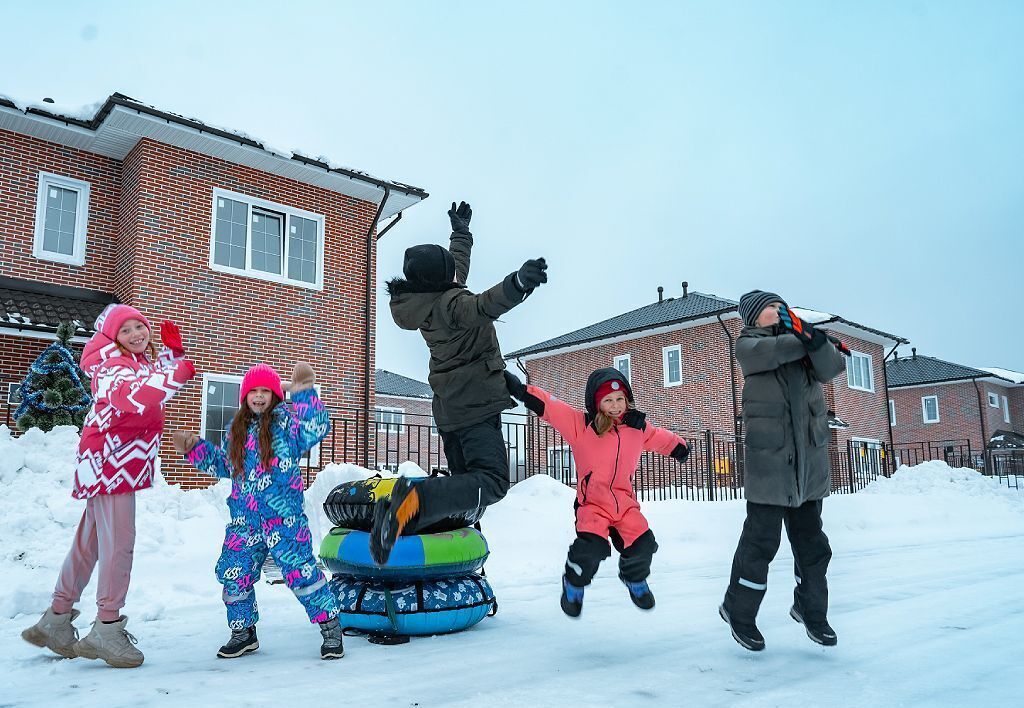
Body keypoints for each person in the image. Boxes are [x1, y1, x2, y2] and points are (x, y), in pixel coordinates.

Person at [369, 200, 548, 564]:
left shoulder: (429, 301)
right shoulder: (454, 306)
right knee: (493, 481)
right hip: (475, 407)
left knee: (466, 491)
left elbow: (455, 268)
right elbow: (485, 304)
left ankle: (450, 559)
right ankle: (414, 501)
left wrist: (461, 233)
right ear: (442, 280)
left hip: (450, 410)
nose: (456, 275)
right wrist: (517, 284)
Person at [21, 304, 196, 668]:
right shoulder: (111, 366)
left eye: (140, 327)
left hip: (111, 462)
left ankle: (56, 618)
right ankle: (107, 627)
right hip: (111, 462)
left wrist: (172, 355)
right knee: (119, 544)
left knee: (93, 541)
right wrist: (176, 373)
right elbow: (133, 396)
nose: (137, 334)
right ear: (112, 336)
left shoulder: (131, 363)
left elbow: (151, 379)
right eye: (126, 330)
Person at [172, 363, 343, 660]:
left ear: (276, 395)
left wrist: (304, 394)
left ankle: (330, 626)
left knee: (300, 573)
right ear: (245, 395)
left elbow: (316, 427)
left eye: (266, 390)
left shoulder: (288, 426)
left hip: (284, 519)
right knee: (233, 573)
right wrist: (195, 448)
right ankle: (243, 632)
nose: (260, 396)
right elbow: (225, 466)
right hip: (245, 521)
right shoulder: (235, 430)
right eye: (254, 390)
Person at [504, 368, 690, 617]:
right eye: (608, 400)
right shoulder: (582, 426)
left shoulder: (637, 427)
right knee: (591, 549)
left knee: (644, 544)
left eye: (619, 399)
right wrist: (521, 391)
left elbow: (659, 437)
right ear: (596, 402)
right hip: (592, 504)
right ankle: (573, 583)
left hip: (624, 504)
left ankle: (634, 578)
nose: (615, 406)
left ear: (627, 399)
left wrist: (679, 447)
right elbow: (551, 408)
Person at [719, 290, 846, 651]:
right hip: (769, 468)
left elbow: (832, 367)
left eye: (780, 306)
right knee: (760, 545)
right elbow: (777, 352)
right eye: (770, 309)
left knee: (814, 546)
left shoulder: (803, 346)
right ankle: (738, 611)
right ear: (753, 318)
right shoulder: (748, 346)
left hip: (809, 468)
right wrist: (811, 337)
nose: (777, 312)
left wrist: (813, 341)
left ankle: (811, 610)